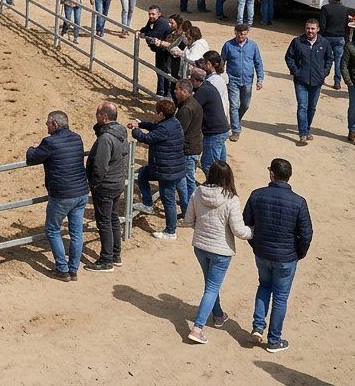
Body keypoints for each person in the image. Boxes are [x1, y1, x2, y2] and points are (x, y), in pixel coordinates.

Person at [244, 158, 313, 353]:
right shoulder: (299, 202)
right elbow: (306, 233)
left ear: (272, 174)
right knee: (280, 298)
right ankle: (274, 340)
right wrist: (299, 253)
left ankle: (258, 327)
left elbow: (246, 223)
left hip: (263, 253)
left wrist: (255, 244)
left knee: (264, 287)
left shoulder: (257, 195)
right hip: (286, 258)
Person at [182, 160, 252, 344]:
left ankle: (218, 315)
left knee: (210, 285)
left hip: (200, 247)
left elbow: (188, 220)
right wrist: (253, 232)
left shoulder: (198, 192)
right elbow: (238, 230)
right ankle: (197, 328)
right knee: (212, 287)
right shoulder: (231, 199)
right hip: (221, 250)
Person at [26, 110, 88, 281]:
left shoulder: (49, 142)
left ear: (54, 124)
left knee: (52, 229)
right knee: (76, 233)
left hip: (62, 194)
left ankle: (62, 269)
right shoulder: (77, 137)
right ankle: (73, 269)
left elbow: (32, 158)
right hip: (81, 192)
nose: (46, 125)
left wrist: (33, 147)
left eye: (47, 123)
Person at [130, 99, 186, 239]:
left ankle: (170, 231)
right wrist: (141, 123)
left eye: (156, 112)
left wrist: (135, 130)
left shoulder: (164, 128)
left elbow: (146, 138)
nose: (154, 115)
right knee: (143, 173)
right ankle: (147, 203)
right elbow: (154, 127)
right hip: (169, 167)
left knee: (169, 200)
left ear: (161, 114)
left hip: (167, 171)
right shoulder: (173, 122)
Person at [84, 103, 129, 272]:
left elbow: (100, 166)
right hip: (117, 182)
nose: (95, 116)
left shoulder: (105, 139)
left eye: (97, 114)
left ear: (104, 116)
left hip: (105, 185)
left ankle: (106, 259)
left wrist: (94, 184)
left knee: (104, 222)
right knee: (113, 219)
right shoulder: (120, 132)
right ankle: (116, 255)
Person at [285, 19, 335, 145]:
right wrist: (296, 71)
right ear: (305, 28)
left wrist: (324, 73)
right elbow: (289, 57)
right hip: (301, 80)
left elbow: (329, 58)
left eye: (313, 29)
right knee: (302, 106)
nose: (310, 31)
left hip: (317, 81)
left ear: (317, 29)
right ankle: (302, 133)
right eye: (308, 28)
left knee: (311, 108)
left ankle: (307, 130)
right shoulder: (297, 42)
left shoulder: (324, 43)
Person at [221, 24, 264, 142]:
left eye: (244, 34)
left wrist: (260, 79)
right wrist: (221, 77)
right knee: (234, 105)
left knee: (245, 105)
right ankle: (236, 130)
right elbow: (221, 62)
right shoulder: (228, 45)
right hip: (233, 80)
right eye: (239, 33)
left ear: (247, 33)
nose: (241, 36)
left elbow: (258, 63)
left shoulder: (253, 46)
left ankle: (237, 120)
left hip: (247, 81)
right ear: (235, 32)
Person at [172, 80, 203, 214]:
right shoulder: (192, 103)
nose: (174, 91)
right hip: (194, 147)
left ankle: (190, 211)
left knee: (187, 182)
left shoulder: (186, 109)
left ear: (184, 92)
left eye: (177, 89)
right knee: (188, 180)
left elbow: (179, 131)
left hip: (188, 150)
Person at [319, 0, 353, 89]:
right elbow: (346, 26)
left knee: (325, 59)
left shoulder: (325, 8)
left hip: (327, 37)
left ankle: (322, 78)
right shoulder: (345, 9)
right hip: (340, 38)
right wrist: (346, 38)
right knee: (338, 61)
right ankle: (337, 82)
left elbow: (322, 25)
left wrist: (320, 37)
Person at [139, 6, 174, 95]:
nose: (151, 16)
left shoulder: (162, 22)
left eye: (153, 14)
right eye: (149, 14)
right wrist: (141, 32)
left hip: (167, 52)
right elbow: (146, 30)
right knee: (159, 71)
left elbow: (154, 34)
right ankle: (160, 92)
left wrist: (144, 35)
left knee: (165, 73)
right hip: (160, 51)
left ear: (159, 14)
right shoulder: (152, 21)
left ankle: (166, 93)